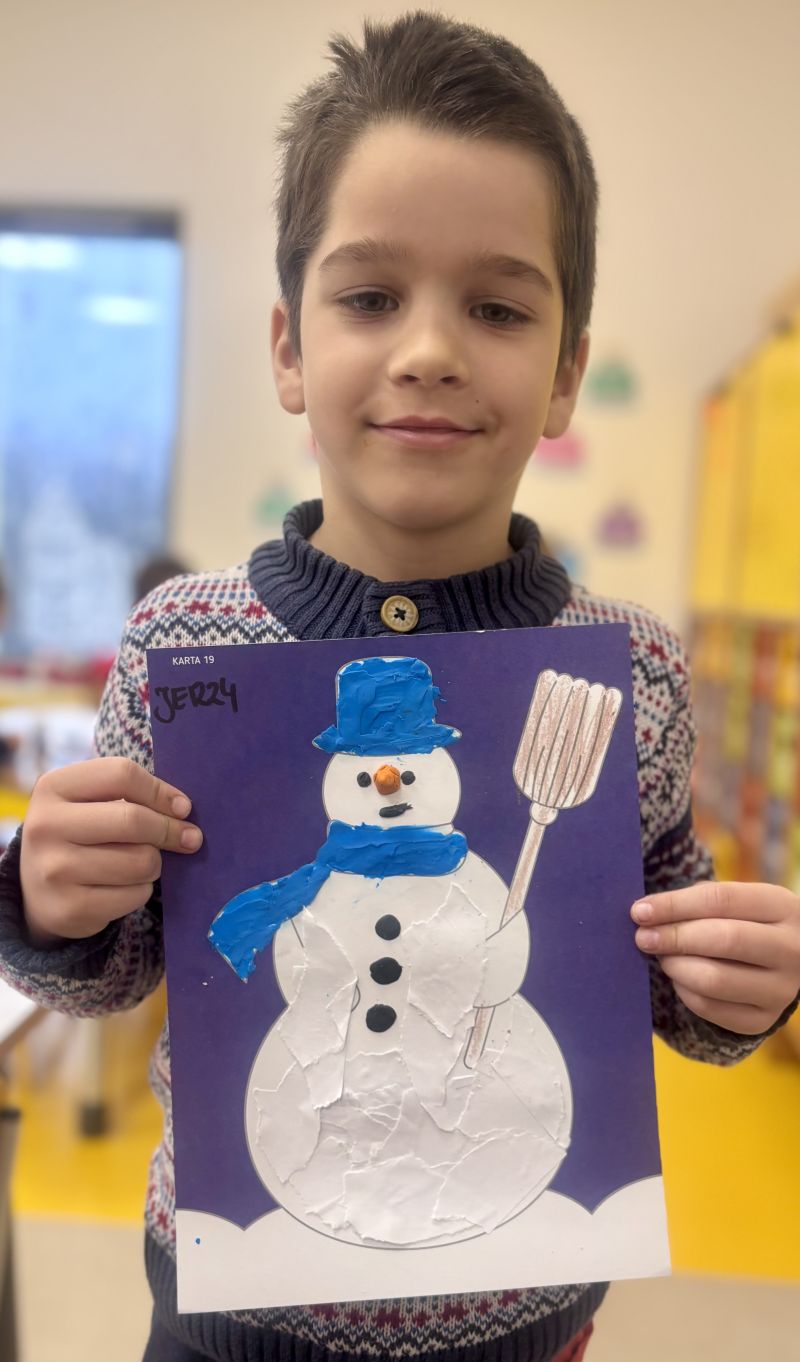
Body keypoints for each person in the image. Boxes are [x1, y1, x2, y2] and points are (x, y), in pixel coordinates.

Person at [0, 13, 798, 1362]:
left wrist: (746, 985)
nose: (430, 348)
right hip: (231, 1314)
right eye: (371, 297)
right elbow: (120, 971)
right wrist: (44, 901)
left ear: (564, 372)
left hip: (525, 1314)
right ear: (288, 348)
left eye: (498, 307)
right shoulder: (183, 645)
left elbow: (659, 981)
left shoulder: (633, 673)